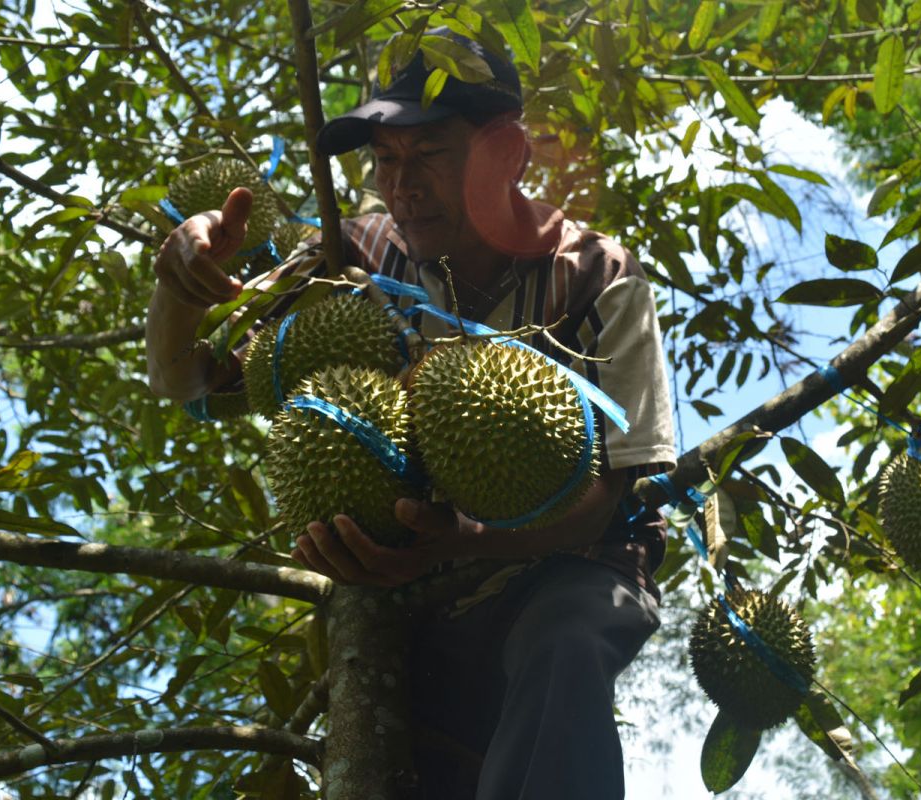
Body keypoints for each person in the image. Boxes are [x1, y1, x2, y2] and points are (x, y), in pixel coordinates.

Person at [146, 29, 676, 800]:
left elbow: (620, 498)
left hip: (572, 566)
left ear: (507, 157)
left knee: (563, 647)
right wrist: (181, 286)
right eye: (385, 162)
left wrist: (467, 541)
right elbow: (185, 384)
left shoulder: (601, 276)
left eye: (427, 155)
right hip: (417, 587)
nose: (402, 186)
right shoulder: (352, 256)